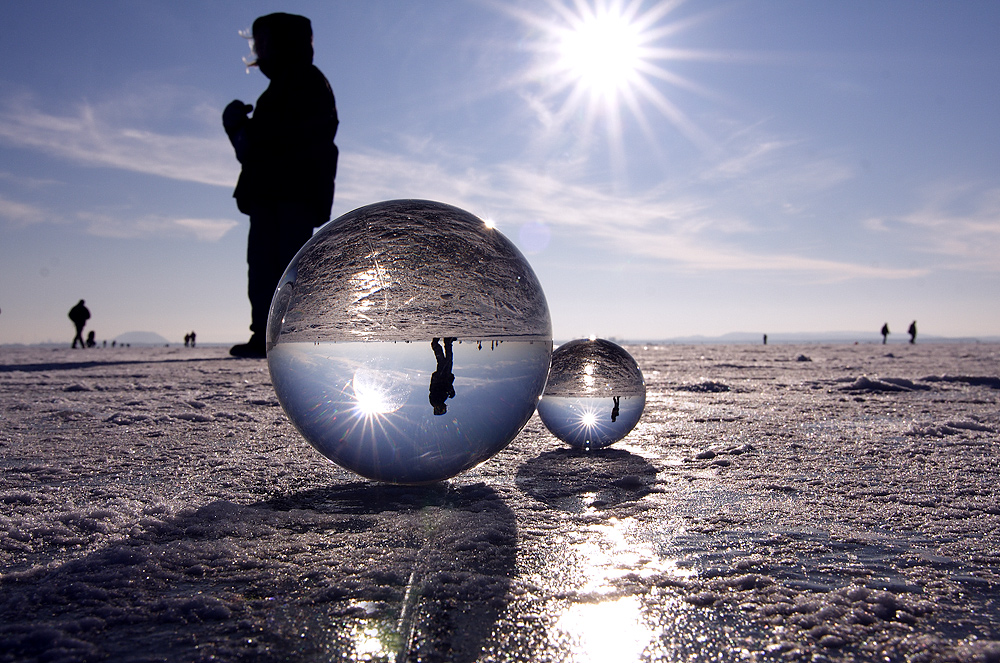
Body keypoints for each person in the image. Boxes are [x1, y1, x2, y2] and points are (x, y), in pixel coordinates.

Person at [223, 12, 339, 358]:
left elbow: (266, 147)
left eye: (263, 41)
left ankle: (282, 335)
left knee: (282, 264)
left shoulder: (300, 84)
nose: (257, 49)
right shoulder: (290, 86)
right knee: (265, 264)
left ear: (282, 43)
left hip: (288, 194)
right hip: (279, 194)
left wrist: (239, 130)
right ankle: (270, 333)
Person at [429, 338, 457, 415]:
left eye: (444, 409)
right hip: (444, 377)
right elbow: (446, 388)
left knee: (443, 361)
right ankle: (447, 343)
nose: (445, 407)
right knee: (448, 360)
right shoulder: (440, 400)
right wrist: (450, 392)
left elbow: (441, 388)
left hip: (441, 377)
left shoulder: (435, 401)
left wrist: (450, 391)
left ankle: (435, 344)